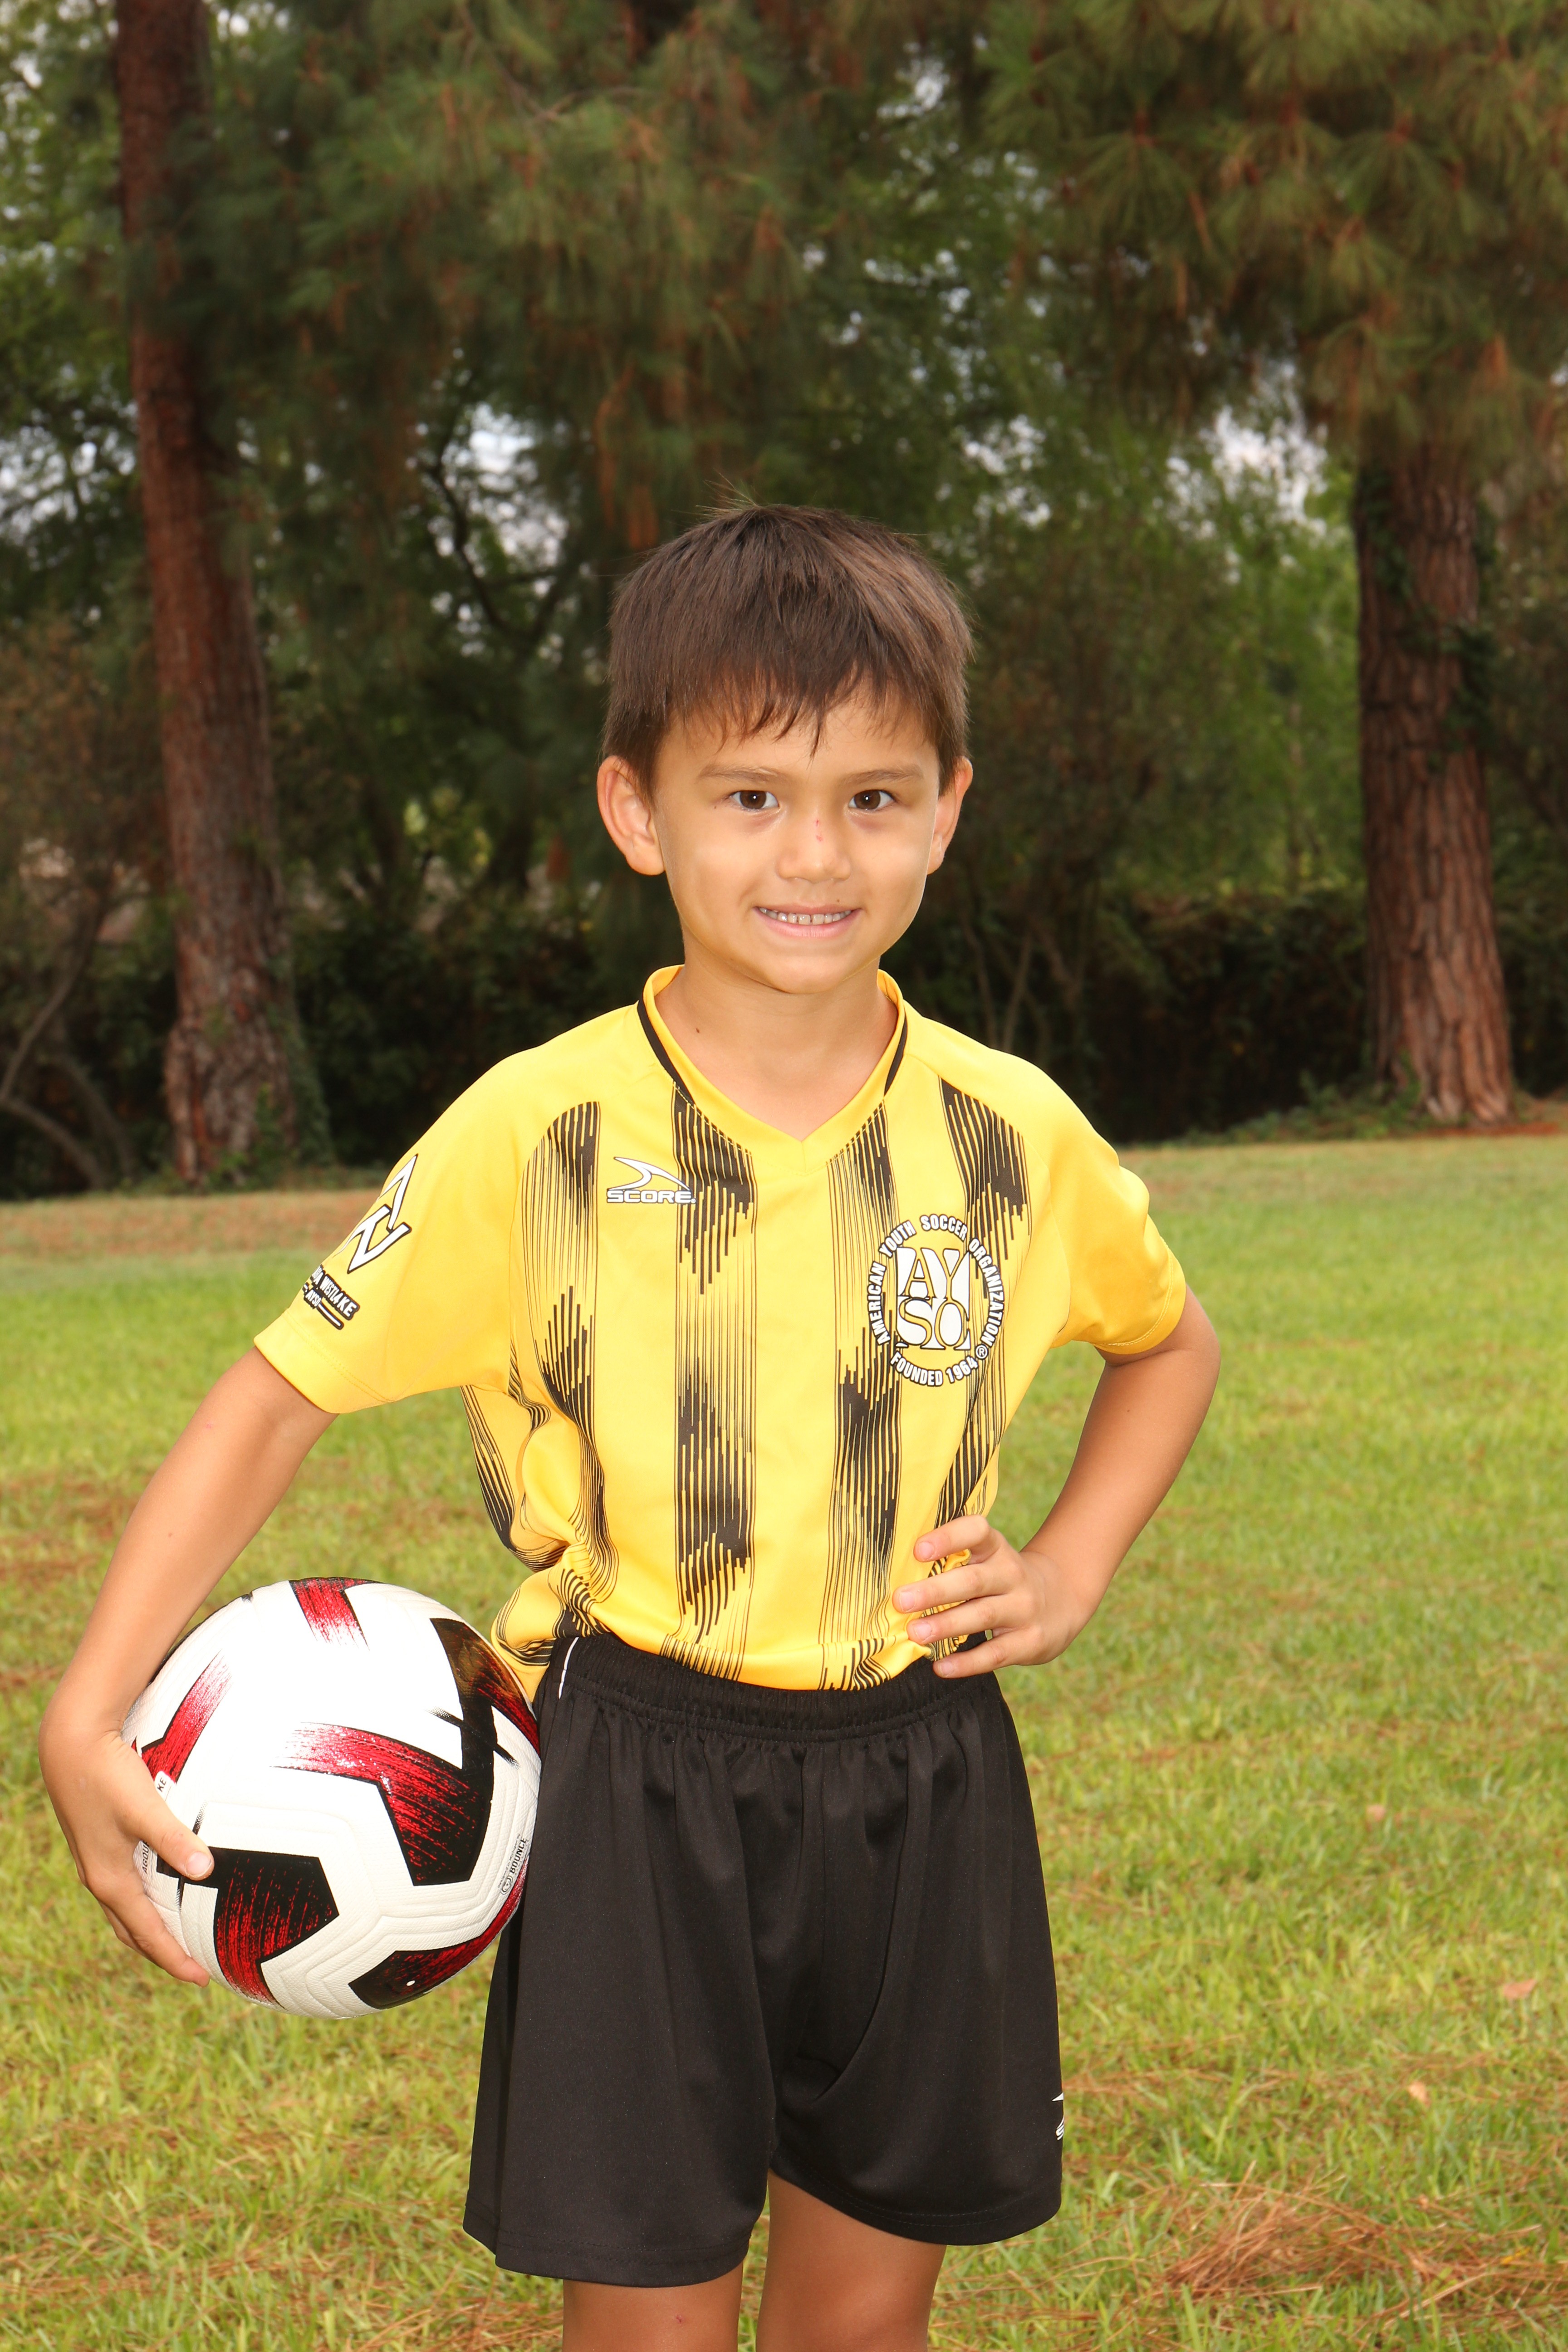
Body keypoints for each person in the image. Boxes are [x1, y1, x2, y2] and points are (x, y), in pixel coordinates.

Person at [39, 506, 1220, 2352]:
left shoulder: (1015, 1135)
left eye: (873, 798)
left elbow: (1170, 1345)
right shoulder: (538, 1132)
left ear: (948, 810)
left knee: (862, 2324)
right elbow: (275, 1398)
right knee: (647, 2329)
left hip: (923, 1771)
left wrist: (1070, 1566)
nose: (814, 852)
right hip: (634, 1778)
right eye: (751, 797)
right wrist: (87, 1704)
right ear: (636, 809)